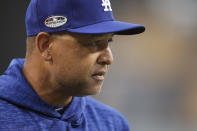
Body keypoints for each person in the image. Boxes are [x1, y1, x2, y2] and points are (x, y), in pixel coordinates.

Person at [0, 0, 145, 130]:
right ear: (45, 46)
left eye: (109, 42)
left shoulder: (112, 124)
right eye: (94, 43)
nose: (108, 58)